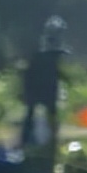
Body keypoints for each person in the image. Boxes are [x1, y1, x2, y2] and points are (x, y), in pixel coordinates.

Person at [21, 16, 70, 149]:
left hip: (45, 81)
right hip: (44, 81)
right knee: (41, 111)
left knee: (40, 111)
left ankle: (30, 138)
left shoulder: (44, 49)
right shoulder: (46, 49)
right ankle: (30, 138)